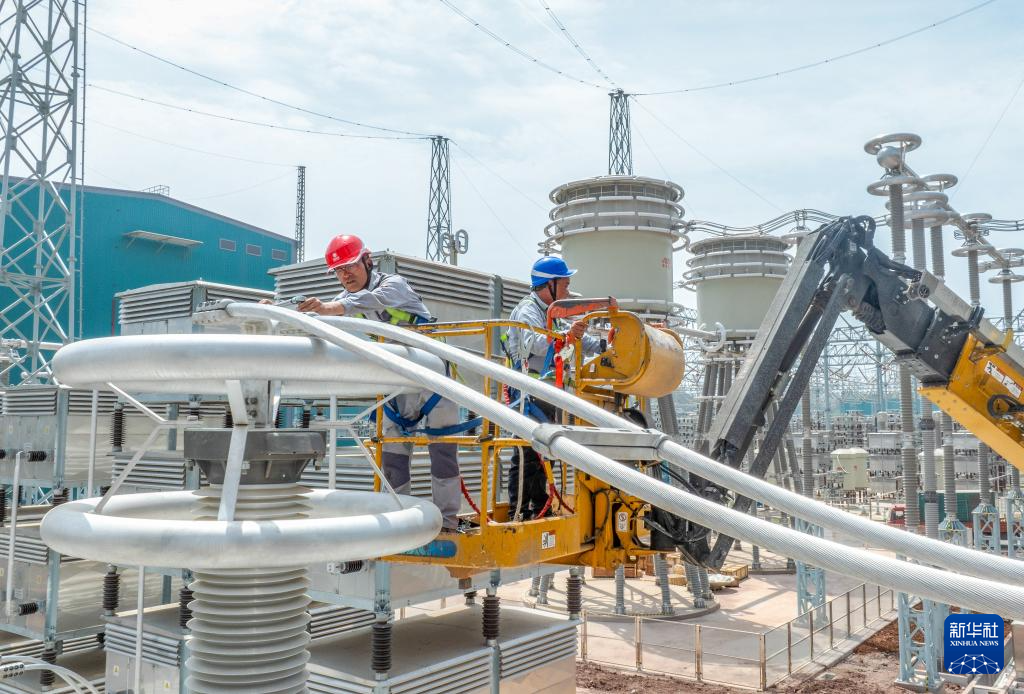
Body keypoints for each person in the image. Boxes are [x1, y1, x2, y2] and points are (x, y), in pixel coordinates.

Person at [295, 234, 463, 532]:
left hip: (433, 379)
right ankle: (399, 522)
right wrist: (280, 310)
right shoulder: (344, 300)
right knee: (393, 457)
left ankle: (447, 523)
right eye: (339, 271)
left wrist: (327, 308)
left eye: (350, 266)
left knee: (443, 453)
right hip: (397, 382)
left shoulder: (393, 285)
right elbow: (327, 315)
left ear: (367, 260)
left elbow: (366, 301)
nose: (345, 275)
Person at [503, 256, 604, 520]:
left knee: (541, 453)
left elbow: (577, 340)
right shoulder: (528, 310)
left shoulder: (552, 314)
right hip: (528, 394)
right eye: (565, 285)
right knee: (526, 454)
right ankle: (518, 512)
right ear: (550, 284)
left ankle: (539, 507)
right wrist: (566, 337)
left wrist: (605, 345)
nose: (568, 291)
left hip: (545, 395)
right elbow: (534, 344)